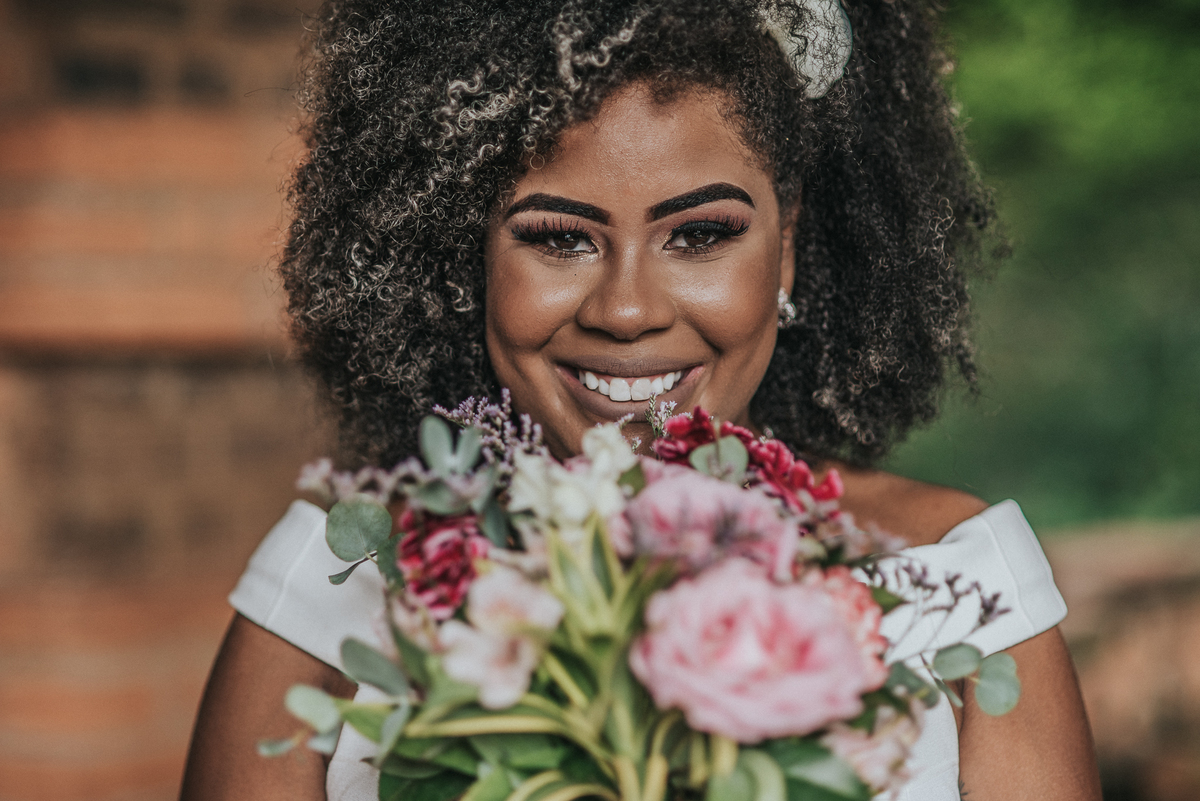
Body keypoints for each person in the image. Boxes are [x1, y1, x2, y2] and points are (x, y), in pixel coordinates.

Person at [181, 1, 1102, 799]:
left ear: (786, 250)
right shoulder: (330, 593)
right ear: (466, 257)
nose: (627, 309)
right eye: (558, 239)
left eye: (699, 234)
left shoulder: (962, 586)